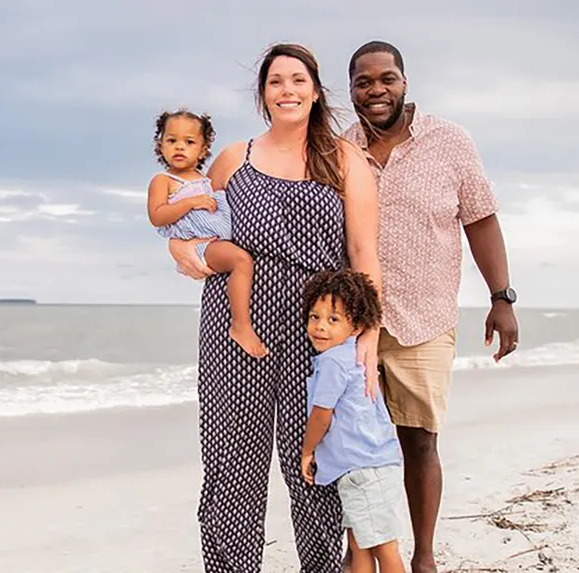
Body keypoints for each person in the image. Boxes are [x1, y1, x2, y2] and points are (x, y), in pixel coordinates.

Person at [167, 43, 382, 572]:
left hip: (319, 328)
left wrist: (369, 337)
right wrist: (181, 249)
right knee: (231, 462)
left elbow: (363, 254)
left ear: (314, 90)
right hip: (235, 322)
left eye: (298, 81)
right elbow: (193, 225)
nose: (287, 90)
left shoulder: (345, 158)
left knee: (311, 460)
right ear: (263, 95)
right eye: (276, 82)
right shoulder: (233, 158)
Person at [342, 41, 521, 573]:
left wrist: (501, 297)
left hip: (425, 318)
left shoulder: (450, 141)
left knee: (419, 442)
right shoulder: (339, 148)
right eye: (363, 82)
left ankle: (423, 558)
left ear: (404, 81)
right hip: (354, 324)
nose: (376, 90)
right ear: (350, 89)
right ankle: (364, 554)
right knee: (356, 449)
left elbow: (481, 219)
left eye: (386, 79)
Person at [300, 269, 405, 573]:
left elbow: (321, 415)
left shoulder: (334, 361)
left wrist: (308, 451)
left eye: (333, 320)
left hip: (364, 470)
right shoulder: (353, 355)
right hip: (369, 465)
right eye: (314, 317)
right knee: (359, 544)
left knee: (384, 548)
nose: (320, 327)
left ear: (356, 326)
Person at [148, 109, 268, 358]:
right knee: (241, 261)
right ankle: (241, 325)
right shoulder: (164, 180)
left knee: (242, 261)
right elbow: (157, 216)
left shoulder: (204, 180)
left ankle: (238, 309)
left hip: (215, 240)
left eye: (189, 142)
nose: (179, 147)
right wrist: (191, 203)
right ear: (160, 146)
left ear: (203, 150)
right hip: (200, 245)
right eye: (171, 141)